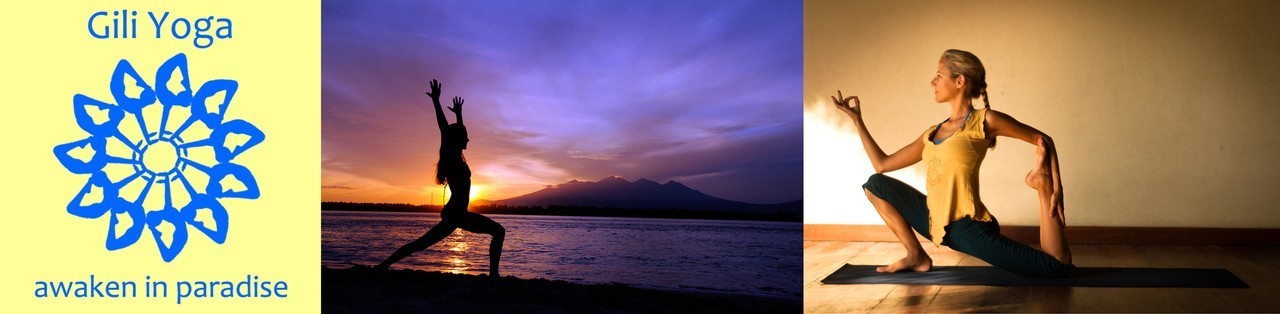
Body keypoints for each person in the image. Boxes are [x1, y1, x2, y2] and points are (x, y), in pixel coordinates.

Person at [832, 49, 1073, 277]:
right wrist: (857, 121)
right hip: (933, 221)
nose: (932, 83)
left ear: (960, 81)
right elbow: (882, 165)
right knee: (875, 184)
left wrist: (1055, 188)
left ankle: (1041, 185)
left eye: (939, 76)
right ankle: (916, 255)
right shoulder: (931, 133)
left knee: (1057, 268)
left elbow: (1043, 139)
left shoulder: (984, 120)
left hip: (969, 229)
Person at [376, 79, 506, 278]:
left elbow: (456, 133)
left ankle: (384, 265)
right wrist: (436, 101)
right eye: (466, 137)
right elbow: (445, 131)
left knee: (421, 244)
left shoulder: (459, 157)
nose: (469, 139)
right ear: (457, 141)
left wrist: (459, 114)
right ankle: (494, 275)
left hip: (456, 214)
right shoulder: (451, 156)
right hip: (456, 213)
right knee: (498, 231)